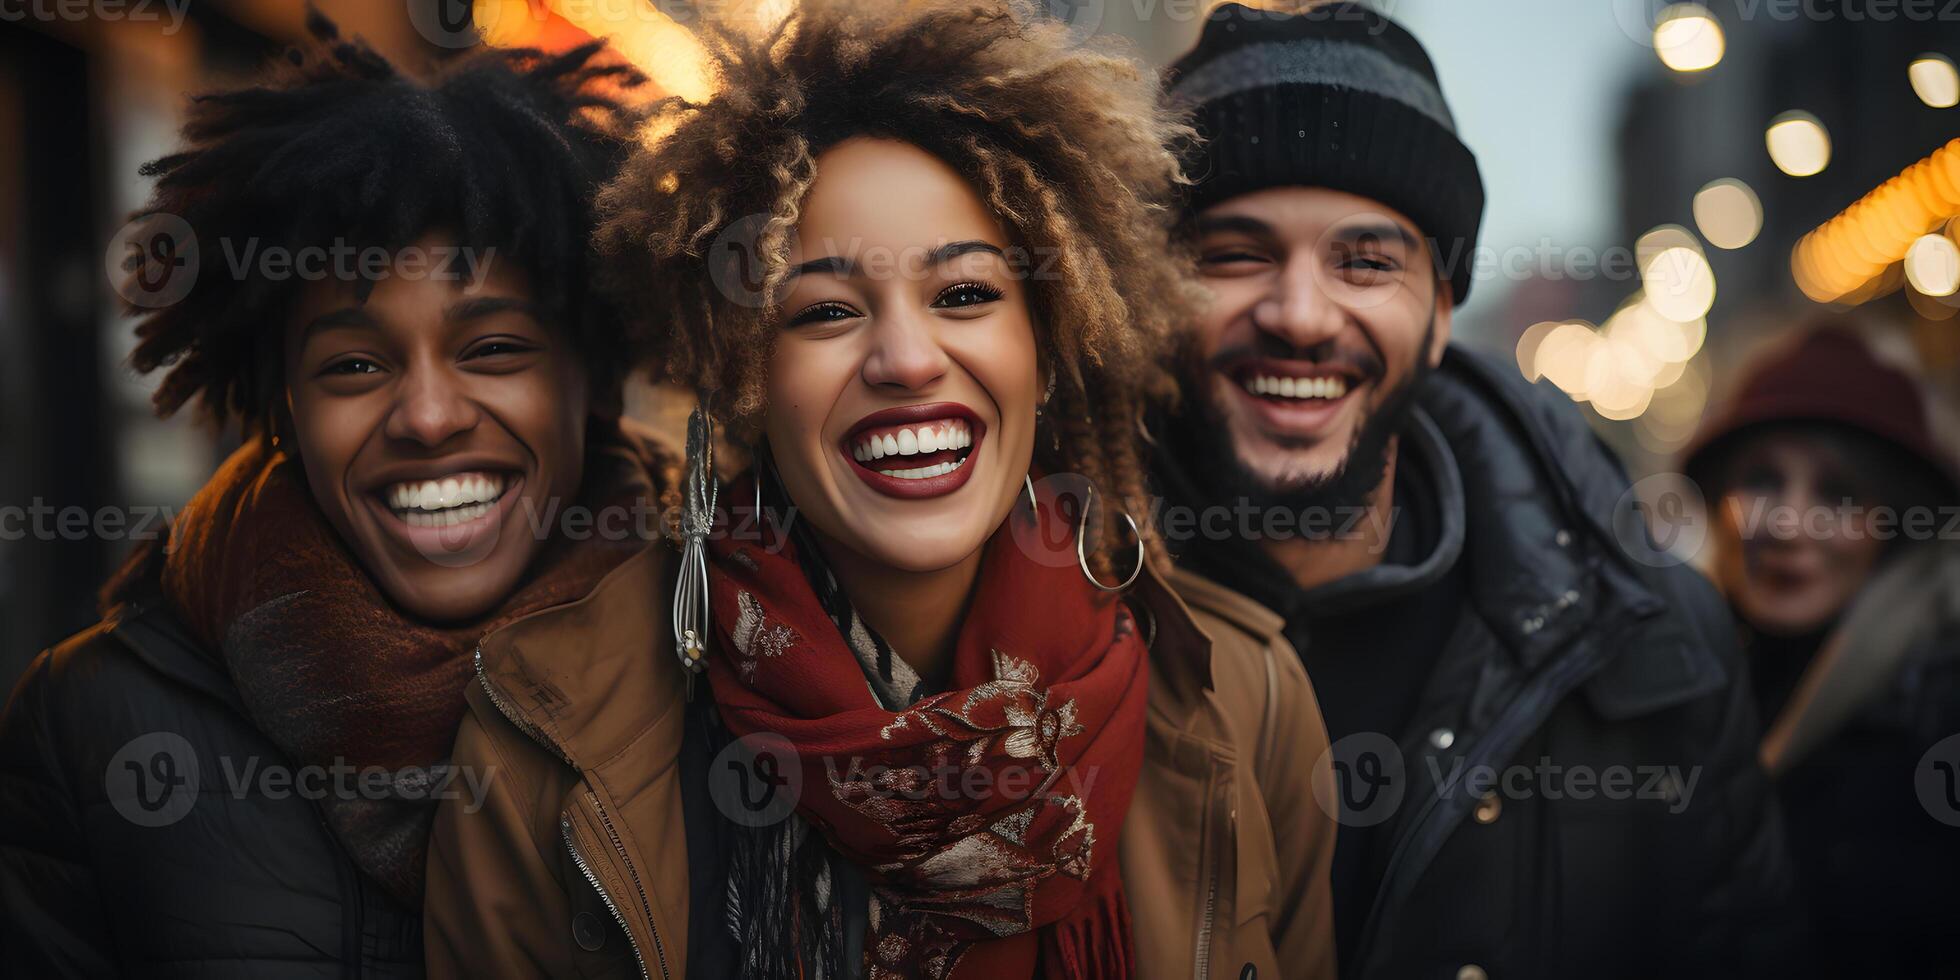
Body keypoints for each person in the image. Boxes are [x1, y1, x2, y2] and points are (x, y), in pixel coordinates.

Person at [423, 2, 1339, 978]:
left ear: (1050, 340)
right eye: (824, 309)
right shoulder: (542, 744)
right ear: (738, 369)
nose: (906, 358)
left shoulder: (1249, 701)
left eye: (965, 295)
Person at [0, 20, 669, 976]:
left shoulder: (732, 675)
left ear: (595, 382)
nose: (429, 417)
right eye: (354, 364)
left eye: (493, 349)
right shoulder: (89, 727)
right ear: (281, 409)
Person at [1150, 4, 1796, 978]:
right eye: (1234, 253)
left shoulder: (1654, 650)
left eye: (1365, 262)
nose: (1298, 314)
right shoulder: (1031, 631)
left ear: (1442, 310)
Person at [1682, 323, 1960, 978]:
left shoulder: (1938, 718)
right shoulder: (1688, 688)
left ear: (1896, 524)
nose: (1787, 524)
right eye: (1762, 481)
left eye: (1838, 494)